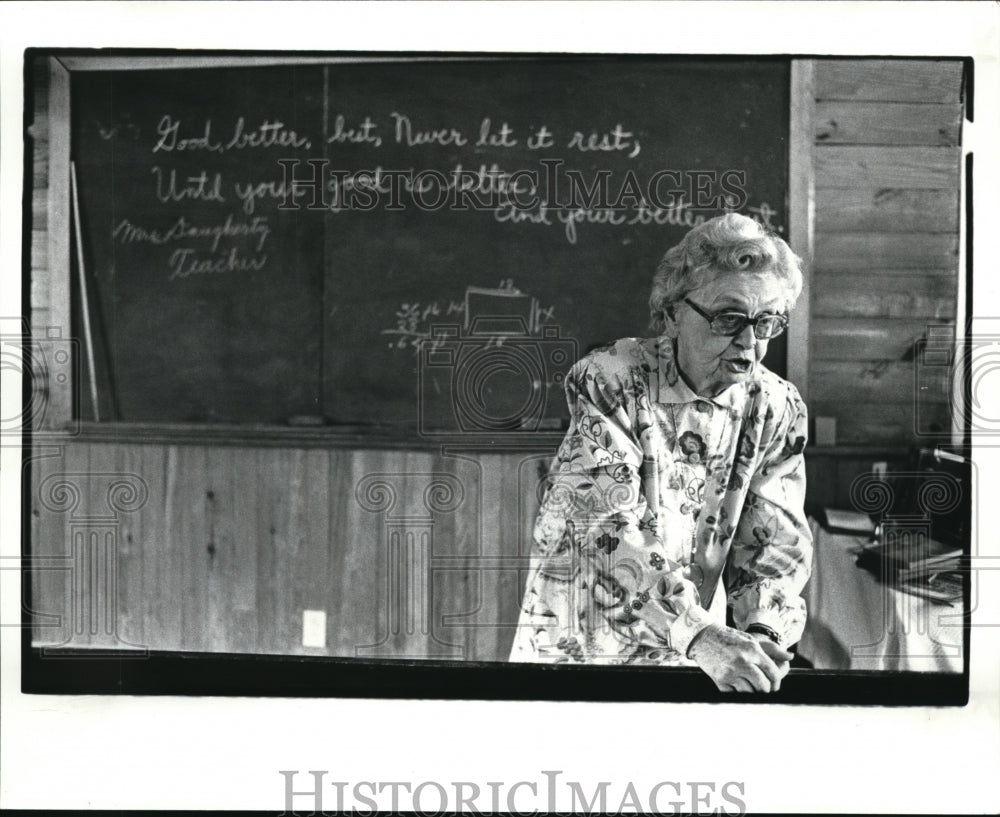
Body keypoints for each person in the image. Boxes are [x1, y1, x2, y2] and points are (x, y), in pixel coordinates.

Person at [510, 212, 812, 693]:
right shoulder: (611, 378)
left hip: (695, 654)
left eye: (768, 322)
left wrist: (762, 631)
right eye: (729, 318)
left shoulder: (776, 405)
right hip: (584, 646)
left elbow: (774, 542)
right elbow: (605, 530)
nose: (750, 343)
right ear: (673, 313)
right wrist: (702, 635)